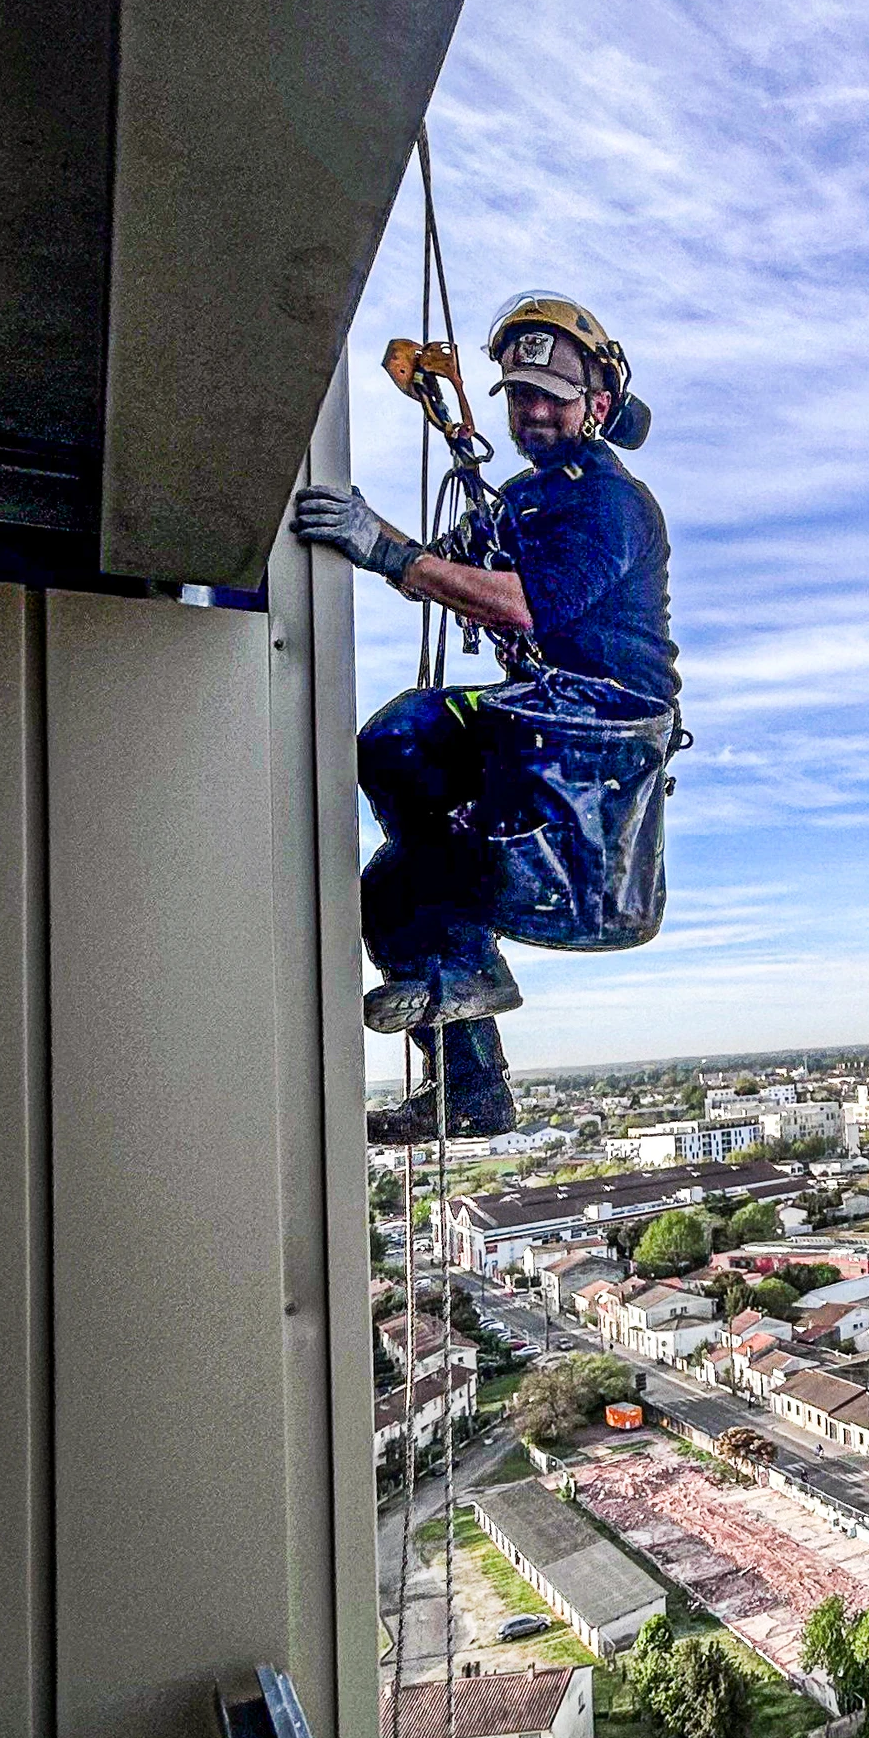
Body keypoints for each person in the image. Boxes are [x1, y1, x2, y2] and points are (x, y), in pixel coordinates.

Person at [292, 295, 677, 1144]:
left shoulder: (611, 503)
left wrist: (389, 547)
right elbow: (451, 569)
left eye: (552, 397)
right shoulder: (525, 502)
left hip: (595, 727)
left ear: (597, 406)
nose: (532, 412)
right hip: (540, 722)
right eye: (519, 395)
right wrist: (394, 547)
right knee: (394, 888)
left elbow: (523, 605)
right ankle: (471, 1090)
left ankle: (461, 956)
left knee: (404, 734)